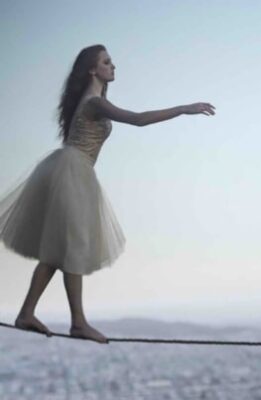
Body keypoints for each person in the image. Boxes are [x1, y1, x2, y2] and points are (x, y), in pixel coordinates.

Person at [0, 44, 215, 343]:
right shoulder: (94, 103)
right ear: (92, 69)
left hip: (74, 170)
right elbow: (138, 119)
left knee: (58, 248)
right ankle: (77, 322)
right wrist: (182, 109)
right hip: (73, 171)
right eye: (106, 62)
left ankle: (27, 313)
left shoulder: (93, 102)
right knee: (72, 246)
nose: (113, 66)